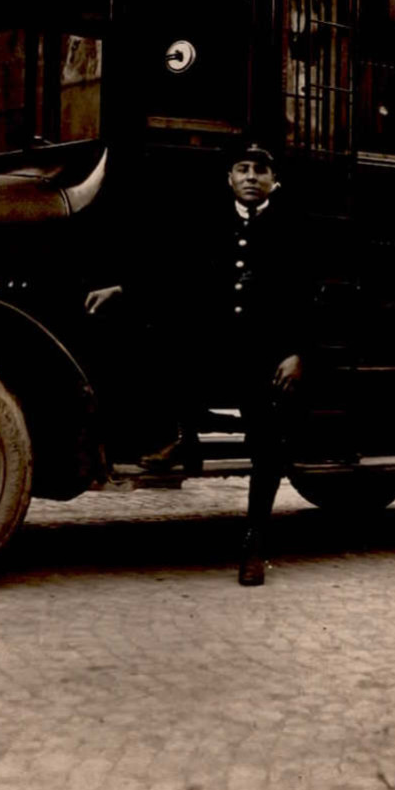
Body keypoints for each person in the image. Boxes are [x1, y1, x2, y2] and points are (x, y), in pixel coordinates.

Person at [84, 143, 313, 586]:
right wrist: (123, 289)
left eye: (260, 171)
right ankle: (182, 436)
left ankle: (254, 542)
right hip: (218, 349)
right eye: (242, 169)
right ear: (229, 178)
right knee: (166, 341)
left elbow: (305, 295)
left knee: (267, 445)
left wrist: (295, 353)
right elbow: (173, 271)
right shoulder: (210, 222)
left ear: (274, 181)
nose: (251, 177)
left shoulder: (293, 228)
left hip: (266, 356)